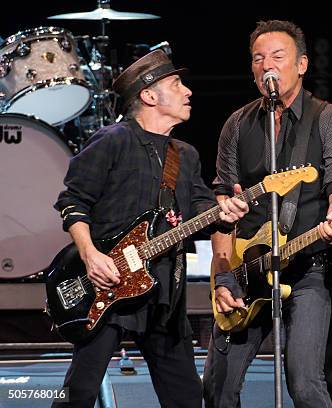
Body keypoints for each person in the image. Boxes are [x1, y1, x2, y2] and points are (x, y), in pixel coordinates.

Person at [52, 49, 249, 408]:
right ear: (149, 95)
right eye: (176, 84)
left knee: (187, 398)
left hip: (163, 296)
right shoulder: (112, 140)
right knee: (77, 395)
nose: (188, 91)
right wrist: (91, 255)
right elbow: (72, 202)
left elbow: (202, 208)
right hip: (106, 288)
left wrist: (225, 211)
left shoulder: (185, 154)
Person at [202, 20, 332, 408]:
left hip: (307, 267)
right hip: (246, 270)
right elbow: (222, 206)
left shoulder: (328, 118)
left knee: (304, 385)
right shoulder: (237, 124)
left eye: (277, 56)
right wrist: (223, 276)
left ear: (302, 65)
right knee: (217, 388)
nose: (266, 65)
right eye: (258, 58)